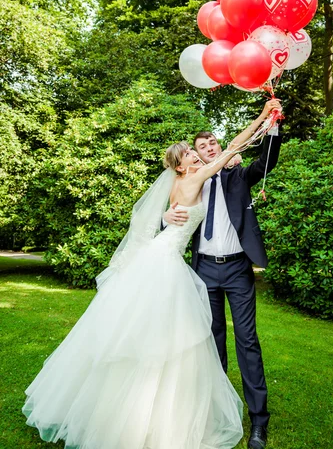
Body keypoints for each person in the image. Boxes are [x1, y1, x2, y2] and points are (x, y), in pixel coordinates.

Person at [22, 101, 275, 449]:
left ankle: (222, 412)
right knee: (179, 338)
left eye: (200, 150)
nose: (197, 155)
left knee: (163, 334)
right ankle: (175, 410)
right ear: (183, 165)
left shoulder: (183, 182)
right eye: (191, 153)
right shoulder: (195, 178)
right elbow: (232, 148)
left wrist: (266, 126)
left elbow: (229, 159)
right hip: (174, 263)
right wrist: (260, 118)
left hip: (173, 259)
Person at [164, 98, 282, 449]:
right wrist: (167, 219)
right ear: (194, 156)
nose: (208, 148)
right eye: (200, 147)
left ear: (218, 144)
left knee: (247, 342)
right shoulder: (194, 181)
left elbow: (267, 160)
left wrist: (272, 124)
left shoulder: (237, 174)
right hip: (203, 271)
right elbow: (170, 213)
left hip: (236, 270)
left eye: (212, 142)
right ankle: (216, 412)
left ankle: (259, 421)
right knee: (211, 343)